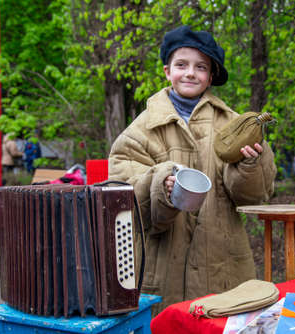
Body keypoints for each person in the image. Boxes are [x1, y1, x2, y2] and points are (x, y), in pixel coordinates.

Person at [108, 25, 276, 314]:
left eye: (200, 67)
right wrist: (160, 185)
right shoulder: (142, 129)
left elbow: (253, 195)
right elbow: (120, 189)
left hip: (222, 263)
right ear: (166, 71)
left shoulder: (233, 125)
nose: (190, 73)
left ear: (210, 76)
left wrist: (250, 164)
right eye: (181, 65)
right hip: (161, 266)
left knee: (220, 324)